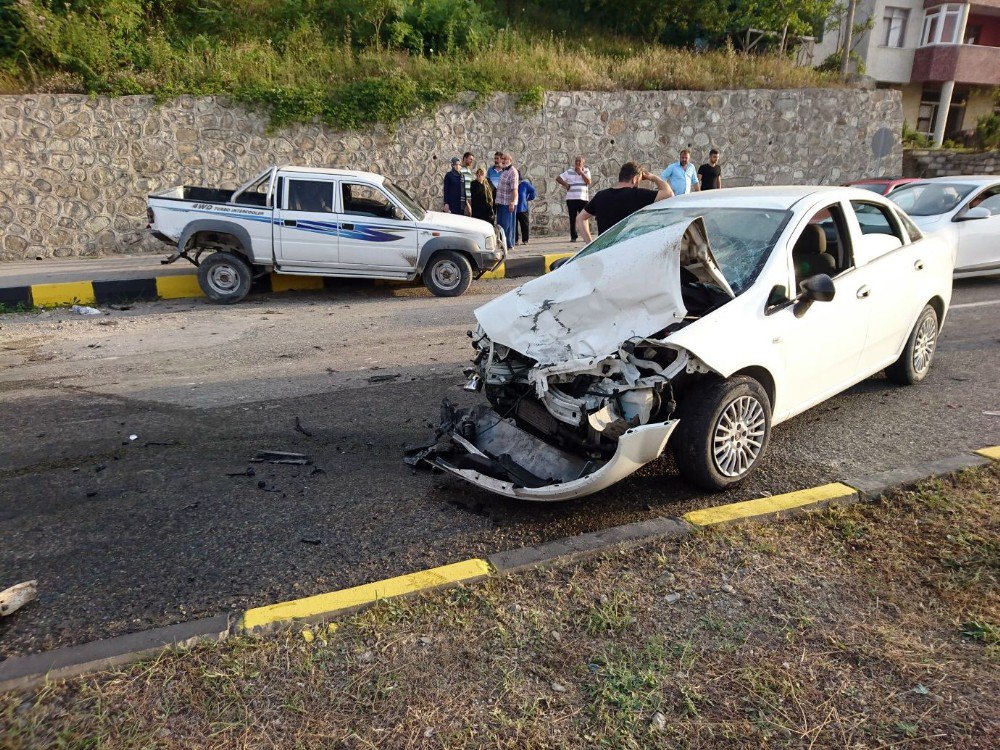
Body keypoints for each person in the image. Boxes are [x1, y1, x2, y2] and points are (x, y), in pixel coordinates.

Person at [576, 161, 673, 243]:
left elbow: (580, 218)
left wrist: (590, 244)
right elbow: (669, 193)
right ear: (634, 179)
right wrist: (653, 178)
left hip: (605, 251)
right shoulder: (638, 195)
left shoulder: (600, 195)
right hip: (627, 251)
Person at [555, 156, 592, 241]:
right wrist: (566, 184)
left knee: (584, 217)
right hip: (571, 198)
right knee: (572, 218)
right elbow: (558, 178)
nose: (577, 163)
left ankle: (585, 236)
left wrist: (581, 173)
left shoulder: (586, 170)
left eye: (579, 161)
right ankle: (573, 237)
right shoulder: (569, 171)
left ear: (583, 163)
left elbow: (589, 182)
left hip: (583, 198)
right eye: (576, 161)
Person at [495, 153, 519, 250]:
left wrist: (512, 202)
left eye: (505, 158)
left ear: (510, 160)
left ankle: (509, 245)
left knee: (507, 226)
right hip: (501, 202)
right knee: (501, 225)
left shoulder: (513, 172)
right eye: (502, 158)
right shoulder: (504, 171)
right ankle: (503, 245)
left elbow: (514, 189)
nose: (503, 160)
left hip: (508, 203)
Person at [515, 172, 537, 245]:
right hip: (513, 208)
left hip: (523, 208)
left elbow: (533, 191)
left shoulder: (525, 184)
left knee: (524, 225)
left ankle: (525, 240)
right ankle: (515, 240)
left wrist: (528, 198)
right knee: (514, 225)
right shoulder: (511, 184)